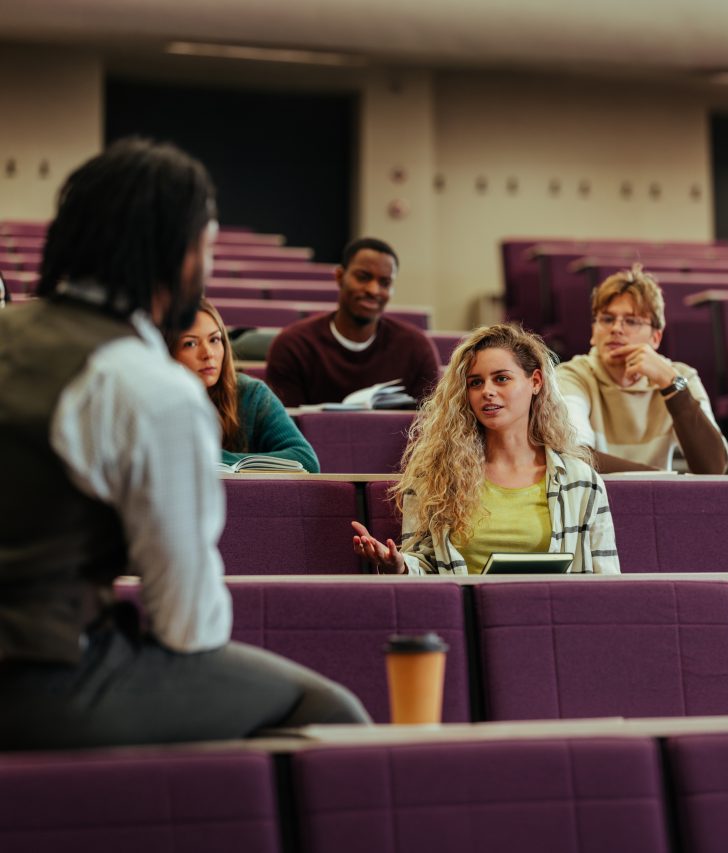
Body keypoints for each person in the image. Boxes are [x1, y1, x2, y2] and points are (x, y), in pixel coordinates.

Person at [0, 137, 369, 751]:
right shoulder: (148, 386)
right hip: (39, 679)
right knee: (330, 710)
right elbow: (188, 625)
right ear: (183, 254)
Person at [351, 323, 619, 575]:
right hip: (462, 609)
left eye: (501, 379)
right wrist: (401, 566)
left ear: (535, 381)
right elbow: (424, 566)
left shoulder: (580, 480)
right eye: (476, 383)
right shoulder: (434, 476)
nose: (487, 391)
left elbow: (606, 580)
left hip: (552, 609)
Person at [557, 264, 728, 474]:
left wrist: (672, 386)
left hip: (659, 495)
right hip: (595, 495)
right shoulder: (571, 376)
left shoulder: (681, 377)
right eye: (607, 319)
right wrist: (664, 480)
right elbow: (575, 455)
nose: (616, 329)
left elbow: (713, 467)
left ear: (655, 337)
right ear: (594, 332)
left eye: (631, 321)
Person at [265, 237, 439, 406]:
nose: (373, 290)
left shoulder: (416, 348)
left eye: (385, 283)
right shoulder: (294, 345)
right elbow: (285, 423)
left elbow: (428, 422)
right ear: (340, 276)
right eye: (363, 277)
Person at [168, 298, 320, 473]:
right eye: (190, 344)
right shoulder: (153, 404)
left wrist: (210, 457)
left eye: (215, 340)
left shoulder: (251, 394)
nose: (208, 354)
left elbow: (306, 461)